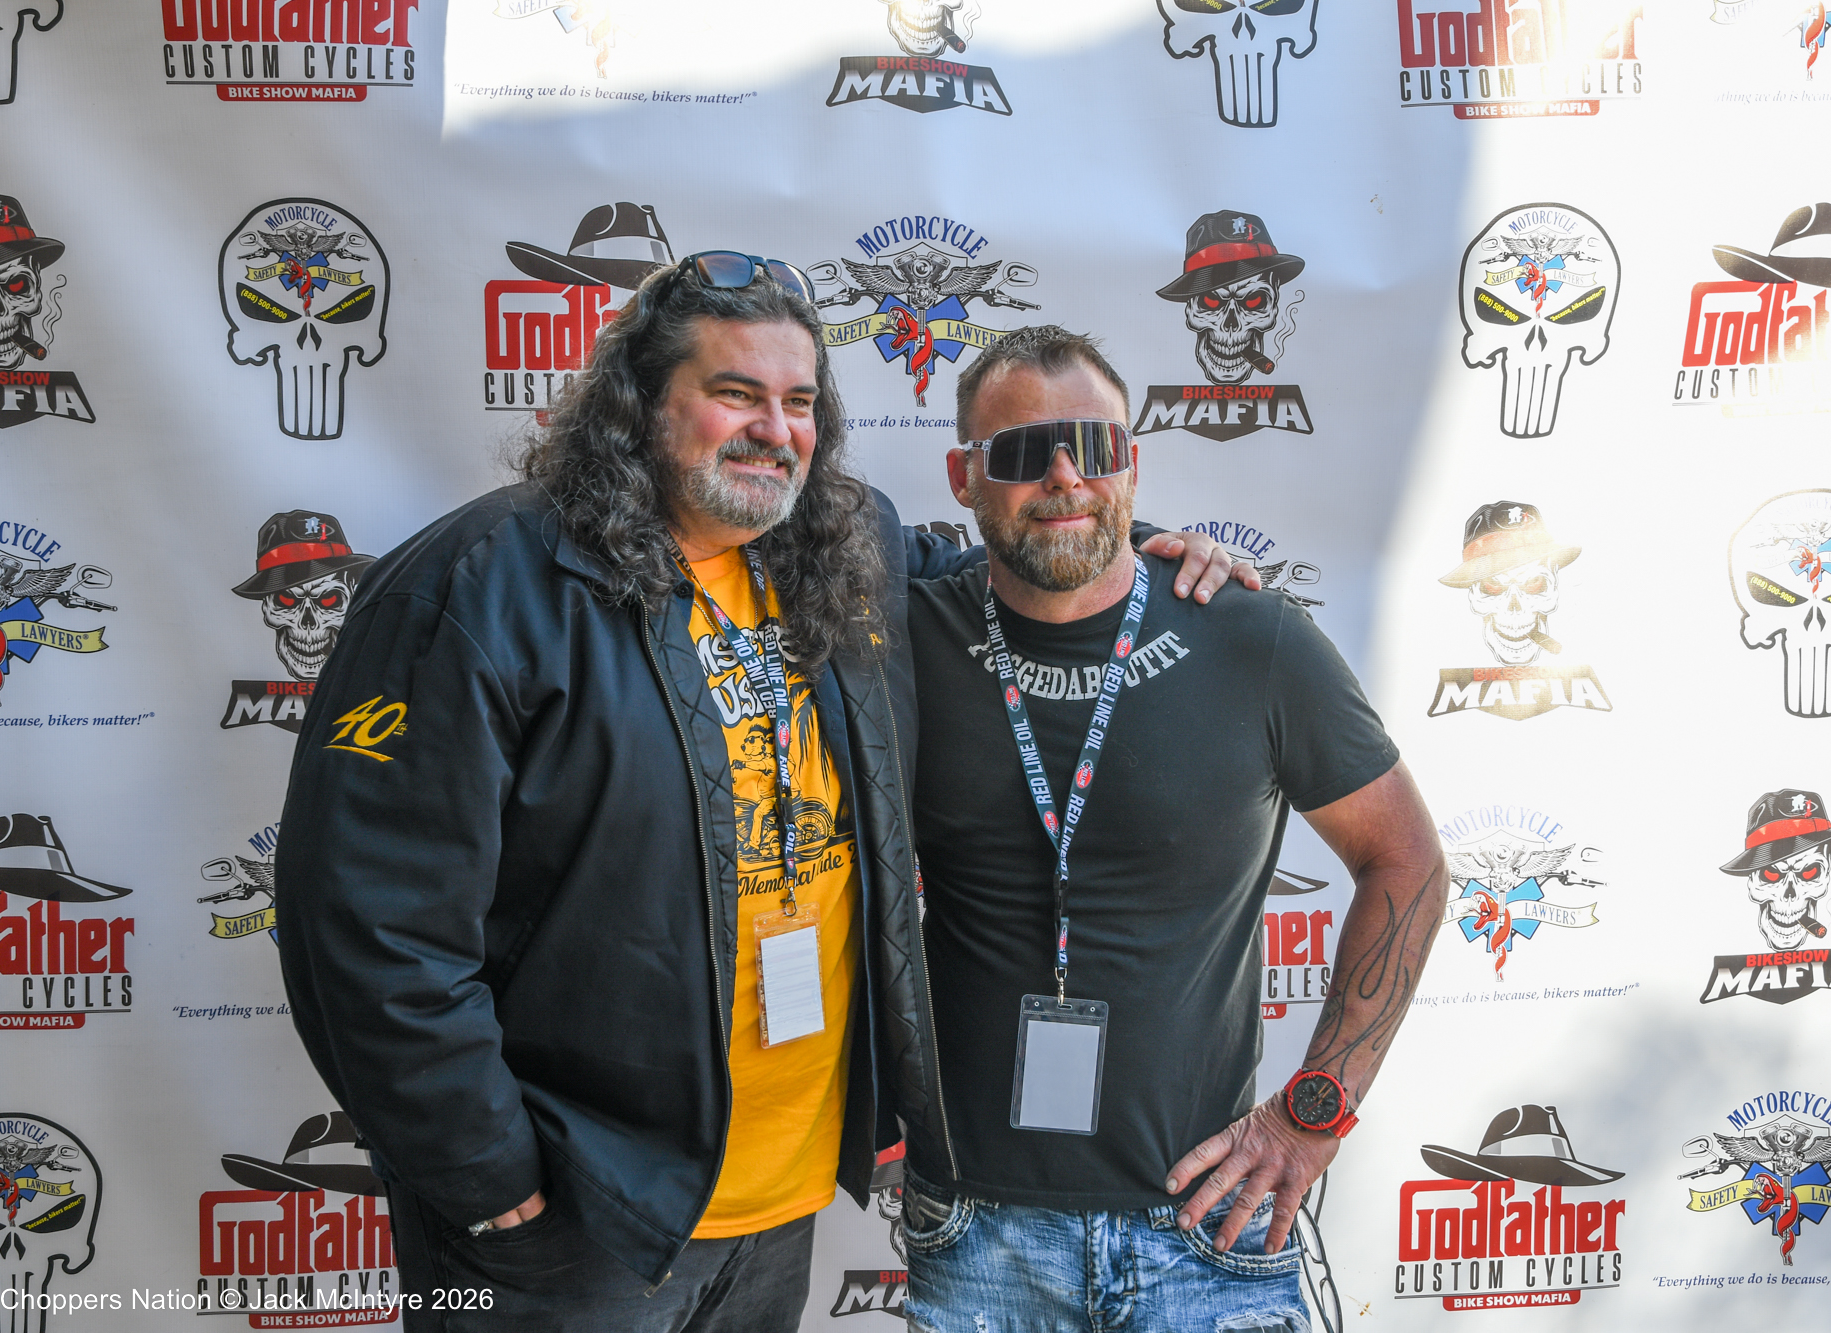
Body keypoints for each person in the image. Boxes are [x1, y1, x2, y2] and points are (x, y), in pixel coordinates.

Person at [273, 257, 1252, 1332]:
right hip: (579, 1214)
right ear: (642, 403)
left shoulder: (842, 547)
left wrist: (1142, 546)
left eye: (797, 401)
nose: (773, 430)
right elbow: (367, 919)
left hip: (782, 1205)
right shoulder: (483, 583)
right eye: (735, 393)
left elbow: (1005, 564)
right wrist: (484, 1170)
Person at [899, 326, 1447, 1333]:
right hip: (977, 1231)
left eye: (1094, 447)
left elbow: (1404, 859)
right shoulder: (905, 636)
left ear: (1133, 463)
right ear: (962, 477)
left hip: (1206, 1222)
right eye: (1022, 452)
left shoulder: (1250, 636)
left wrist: (1314, 1113)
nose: (1065, 476)